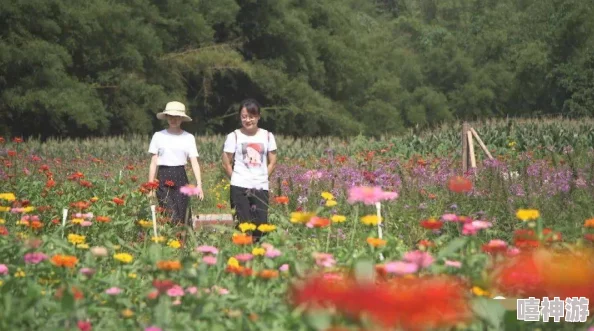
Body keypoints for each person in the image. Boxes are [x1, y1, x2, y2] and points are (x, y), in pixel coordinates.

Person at [221, 99, 277, 242]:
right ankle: (242, 257)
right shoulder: (234, 136)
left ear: (258, 116)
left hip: (260, 186)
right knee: (242, 225)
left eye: (251, 116)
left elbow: (273, 161)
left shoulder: (267, 136)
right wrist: (236, 178)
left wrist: (263, 177)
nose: (248, 120)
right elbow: (226, 162)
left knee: (261, 224)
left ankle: (258, 256)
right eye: (244, 116)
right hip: (239, 186)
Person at [148, 101, 204, 226]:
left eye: (177, 117)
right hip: (162, 177)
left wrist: (199, 185)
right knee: (170, 214)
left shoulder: (188, 137)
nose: (173, 119)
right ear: (166, 117)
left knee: (183, 214)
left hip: (180, 176)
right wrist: (150, 187)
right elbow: (153, 163)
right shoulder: (158, 136)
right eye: (170, 116)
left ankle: (184, 243)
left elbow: (194, 162)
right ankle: (170, 242)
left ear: (182, 118)